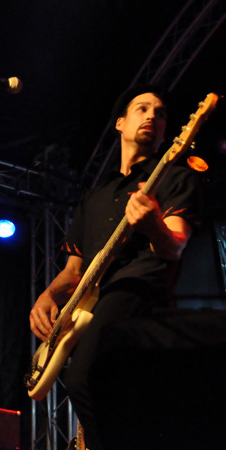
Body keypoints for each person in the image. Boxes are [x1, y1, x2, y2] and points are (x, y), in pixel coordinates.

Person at [29, 86, 203, 450]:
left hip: (140, 292)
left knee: (85, 377)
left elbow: (174, 247)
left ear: (169, 132)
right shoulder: (94, 196)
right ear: (120, 123)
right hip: (95, 304)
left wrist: (153, 224)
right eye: (142, 108)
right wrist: (47, 296)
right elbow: (74, 270)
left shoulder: (175, 177)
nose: (152, 115)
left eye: (160, 113)